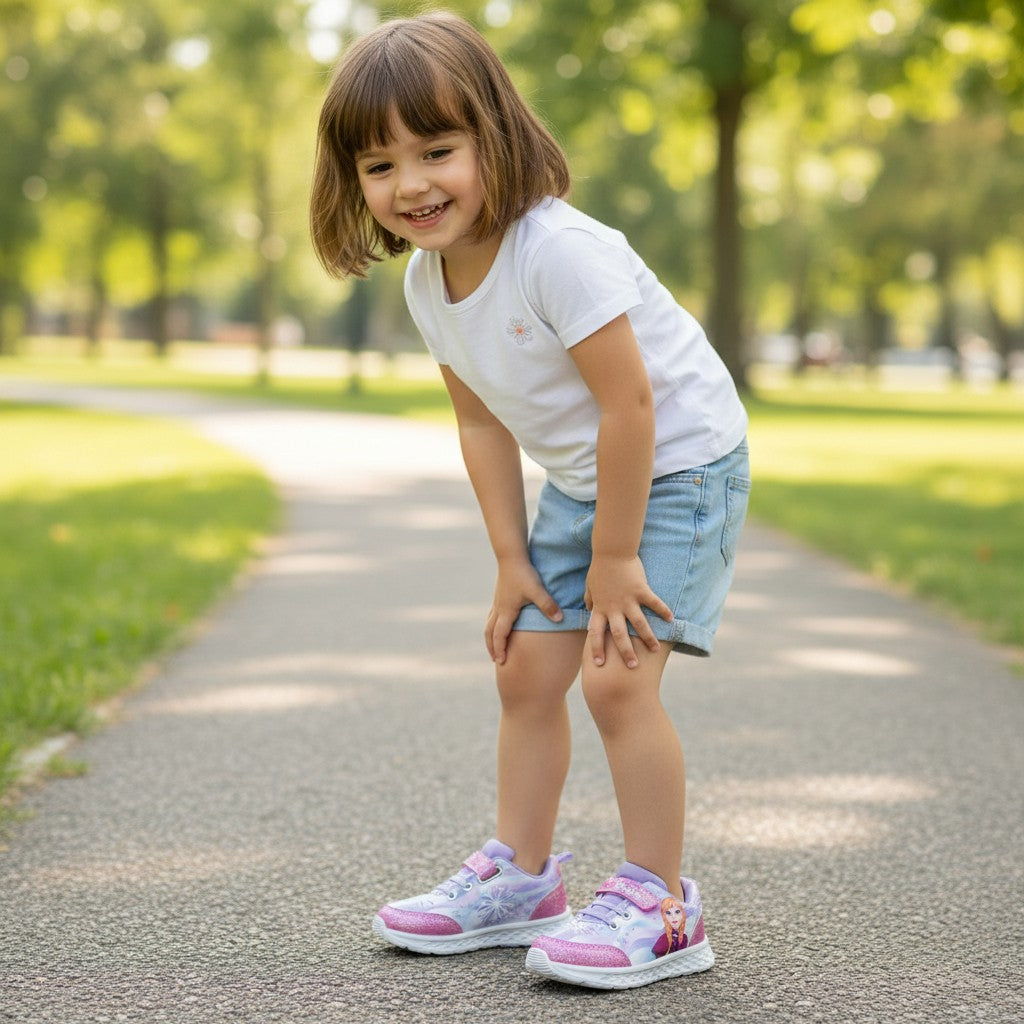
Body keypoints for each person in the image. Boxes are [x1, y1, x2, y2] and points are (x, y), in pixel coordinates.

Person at [310, 11, 749, 991]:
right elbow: (481, 424)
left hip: (678, 463)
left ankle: (662, 902)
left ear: (494, 135)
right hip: (590, 475)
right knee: (525, 670)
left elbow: (632, 406)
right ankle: (523, 878)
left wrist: (613, 558)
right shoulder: (427, 283)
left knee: (616, 679)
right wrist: (512, 559)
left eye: (436, 150)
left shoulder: (557, 251)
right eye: (380, 165)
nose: (411, 184)